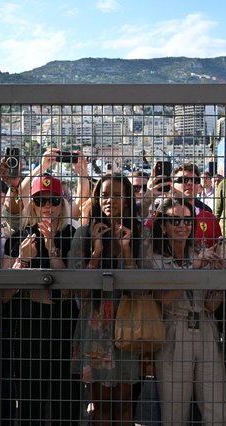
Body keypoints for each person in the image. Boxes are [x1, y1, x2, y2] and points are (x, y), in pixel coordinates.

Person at [70, 173, 149, 424]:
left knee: (125, 406)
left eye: (117, 195)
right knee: (100, 407)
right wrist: (96, 251)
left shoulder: (140, 235)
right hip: (95, 328)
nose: (110, 201)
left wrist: (126, 250)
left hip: (128, 326)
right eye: (104, 195)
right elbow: (78, 290)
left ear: (127, 200)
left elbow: (141, 289)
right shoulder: (84, 234)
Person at [0, 174, 79, 423]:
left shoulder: (74, 236)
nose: (47, 206)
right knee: (29, 402)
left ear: (62, 204)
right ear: (31, 205)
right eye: (40, 201)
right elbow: (4, 294)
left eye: (54, 201)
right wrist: (22, 260)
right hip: (29, 326)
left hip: (64, 324)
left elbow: (68, 291)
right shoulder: (18, 237)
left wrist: (52, 246)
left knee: (65, 402)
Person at [151, 196, 226, 425]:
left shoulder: (199, 252)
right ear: (163, 226)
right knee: (175, 414)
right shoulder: (156, 260)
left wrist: (219, 279)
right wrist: (194, 269)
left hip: (205, 328)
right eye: (175, 221)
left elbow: (210, 305)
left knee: (217, 412)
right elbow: (164, 299)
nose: (182, 226)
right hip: (174, 331)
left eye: (187, 221)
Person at [170, 164, 221, 248]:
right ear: (172, 185)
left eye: (195, 180)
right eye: (183, 179)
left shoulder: (210, 218)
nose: (190, 183)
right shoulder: (161, 216)